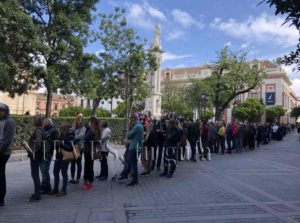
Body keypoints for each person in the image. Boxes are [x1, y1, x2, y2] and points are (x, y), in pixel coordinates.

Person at [49, 123, 74, 196]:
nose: (61, 131)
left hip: (65, 157)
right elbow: (57, 146)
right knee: (55, 172)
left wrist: (61, 144)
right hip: (58, 156)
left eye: (63, 129)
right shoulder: (60, 136)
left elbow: (70, 148)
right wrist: (55, 144)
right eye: (61, 129)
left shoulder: (70, 136)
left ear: (66, 129)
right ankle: (56, 188)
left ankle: (64, 190)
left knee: (64, 173)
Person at [0, 103, 16, 207]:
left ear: (6, 111)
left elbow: (7, 139)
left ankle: (1, 198)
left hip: (4, 151)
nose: (0, 112)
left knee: (1, 173)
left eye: (1, 111)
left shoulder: (9, 121)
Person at [123, 115, 144, 186]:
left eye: (131, 119)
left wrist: (130, 129)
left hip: (134, 147)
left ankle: (135, 181)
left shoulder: (137, 126)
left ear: (134, 119)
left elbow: (129, 134)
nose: (130, 121)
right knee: (133, 164)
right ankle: (134, 180)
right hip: (137, 147)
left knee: (133, 165)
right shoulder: (140, 126)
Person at [27, 115, 44, 202]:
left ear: (35, 122)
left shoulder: (38, 131)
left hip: (35, 155)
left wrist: (32, 150)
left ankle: (37, 194)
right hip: (36, 155)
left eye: (33, 120)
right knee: (35, 174)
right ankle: (37, 193)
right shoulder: (40, 130)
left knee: (35, 174)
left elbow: (38, 143)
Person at [82, 117, 101, 190]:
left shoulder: (91, 130)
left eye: (89, 122)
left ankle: (89, 182)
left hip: (88, 150)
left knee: (88, 166)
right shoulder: (97, 130)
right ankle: (90, 181)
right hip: (92, 150)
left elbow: (84, 138)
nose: (88, 123)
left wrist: (87, 128)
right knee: (90, 166)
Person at [40, 118, 58, 194]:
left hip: (47, 152)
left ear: (48, 123)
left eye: (44, 123)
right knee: (43, 170)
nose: (43, 124)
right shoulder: (43, 129)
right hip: (42, 152)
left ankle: (47, 187)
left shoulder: (53, 131)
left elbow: (53, 142)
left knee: (44, 170)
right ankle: (44, 184)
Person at [69, 115, 86, 184]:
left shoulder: (84, 128)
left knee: (78, 163)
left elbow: (78, 137)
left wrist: (73, 136)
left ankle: (78, 178)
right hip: (73, 147)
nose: (80, 121)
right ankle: (72, 178)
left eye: (81, 120)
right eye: (79, 120)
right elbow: (69, 135)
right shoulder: (73, 128)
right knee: (72, 163)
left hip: (79, 148)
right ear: (76, 121)